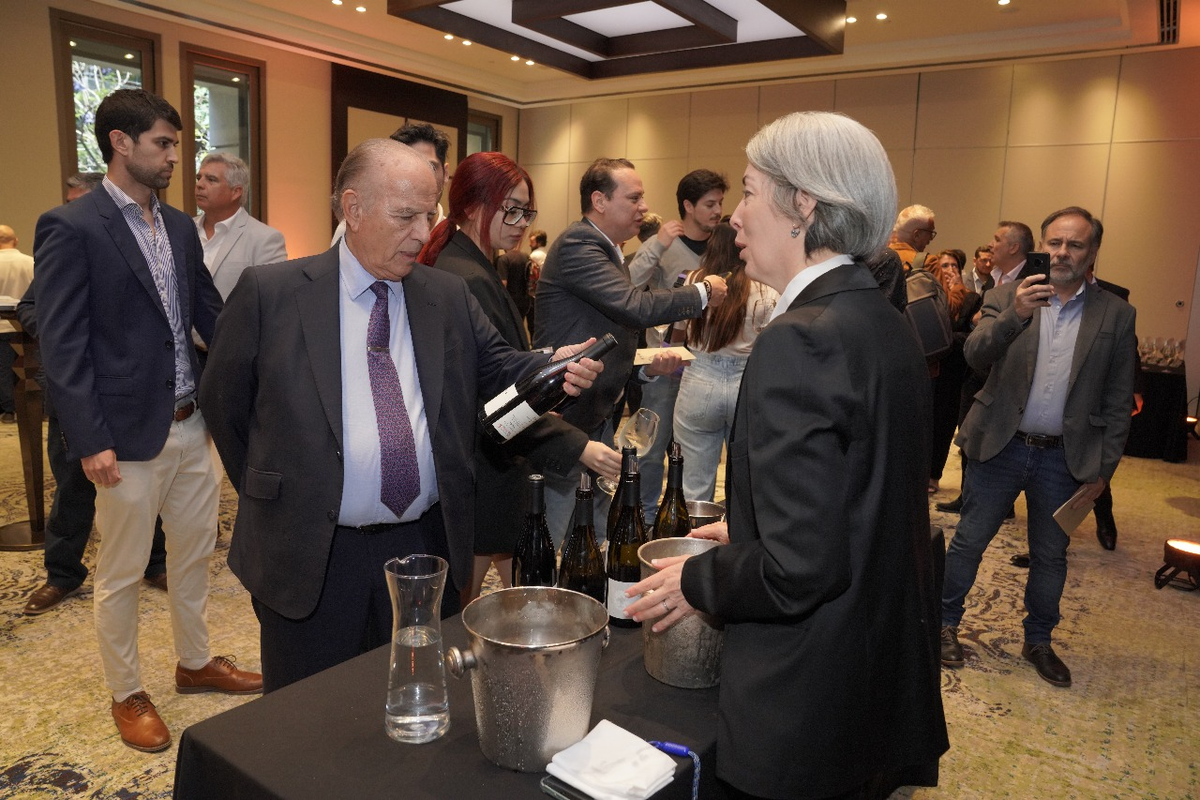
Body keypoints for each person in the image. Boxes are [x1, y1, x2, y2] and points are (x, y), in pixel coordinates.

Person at [200, 138, 605, 692]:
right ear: (353, 207)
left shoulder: (446, 296)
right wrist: (281, 485)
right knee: (307, 724)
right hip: (311, 550)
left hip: (422, 549)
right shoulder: (273, 294)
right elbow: (225, 404)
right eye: (405, 215)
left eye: (430, 214)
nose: (422, 232)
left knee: (411, 708)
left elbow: (502, 371)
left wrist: (550, 366)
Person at [626, 111, 948, 800]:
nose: (733, 218)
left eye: (747, 192)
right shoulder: (881, 321)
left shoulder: (801, 339)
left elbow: (799, 569)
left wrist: (697, 580)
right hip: (870, 684)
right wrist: (752, 529)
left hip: (806, 698)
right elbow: (861, 497)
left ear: (803, 204)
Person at [34, 89, 260, 754]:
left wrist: (259, 372)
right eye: (162, 144)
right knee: (124, 571)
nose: (173, 158)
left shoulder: (182, 228)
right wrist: (89, 438)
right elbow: (63, 343)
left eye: (174, 145)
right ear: (120, 143)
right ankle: (126, 691)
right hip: (124, 438)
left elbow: (212, 317)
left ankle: (194, 664)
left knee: (193, 559)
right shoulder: (71, 227)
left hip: (193, 426)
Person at [939, 207, 1136, 688]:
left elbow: (1117, 398)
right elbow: (973, 355)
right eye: (1054, 243)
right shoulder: (1008, 296)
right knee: (969, 542)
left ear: (1092, 252)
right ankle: (942, 627)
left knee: (1051, 555)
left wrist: (1103, 466)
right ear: (1041, 247)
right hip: (1000, 446)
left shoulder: (1116, 313)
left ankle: (1039, 641)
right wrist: (1015, 315)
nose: (1062, 253)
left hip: (1063, 459)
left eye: (1075, 244)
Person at [417, 151, 620, 601]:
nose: (521, 221)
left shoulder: (471, 264)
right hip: (484, 459)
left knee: (517, 589)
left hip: (493, 459)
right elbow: (491, 389)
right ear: (471, 205)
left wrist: (549, 360)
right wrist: (576, 444)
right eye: (511, 208)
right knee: (465, 603)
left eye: (527, 210)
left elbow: (502, 362)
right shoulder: (465, 276)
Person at [532, 157, 727, 542]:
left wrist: (643, 370)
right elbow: (633, 307)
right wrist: (702, 292)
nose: (644, 207)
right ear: (600, 200)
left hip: (596, 414)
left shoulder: (609, 249)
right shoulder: (579, 244)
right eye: (634, 197)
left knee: (591, 533)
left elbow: (611, 327)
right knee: (554, 534)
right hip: (568, 416)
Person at [19, 172, 168, 617]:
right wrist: (68, 336)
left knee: (145, 483)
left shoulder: (139, 244)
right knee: (72, 485)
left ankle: (155, 562)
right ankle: (62, 574)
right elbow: (31, 306)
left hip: (133, 393)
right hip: (76, 392)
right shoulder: (64, 236)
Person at [625, 169, 727, 512]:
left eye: (720, 203)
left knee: (697, 450)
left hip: (711, 364)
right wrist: (657, 244)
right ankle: (647, 515)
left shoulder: (724, 247)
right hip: (665, 363)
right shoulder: (666, 247)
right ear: (688, 205)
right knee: (652, 446)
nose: (717, 210)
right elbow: (629, 285)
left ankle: (689, 514)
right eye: (709, 204)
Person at [672, 222, 778, 502]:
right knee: (744, 482)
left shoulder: (692, 279)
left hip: (699, 378)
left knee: (692, 485)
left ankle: (692, 543)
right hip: (748, 381)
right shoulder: (766, 286)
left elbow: (675, 337)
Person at [330, 122, 450, 245]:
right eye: (406, 168)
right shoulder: (357, 228)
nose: (420, 178)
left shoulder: (455, 240)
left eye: (430, 167)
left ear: (446, 174)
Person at [194, 152, 288, 299]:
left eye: (211, 180)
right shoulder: (183, 229)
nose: (199, 185)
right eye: (199, 178)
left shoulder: (265, 239)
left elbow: (273, 299)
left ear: (235, 192)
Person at [928, 249, 982, 494]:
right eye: (944, 265)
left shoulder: (971, 298)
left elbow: (972, 337)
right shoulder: (931, 296)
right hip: (930, 370)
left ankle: (933, 476)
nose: (949, 270)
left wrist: (949, 338)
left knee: (944, 424)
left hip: (955, 372)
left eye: (953, 266)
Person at [0, 224, 35, 423]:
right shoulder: (29, 262)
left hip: (2, 326)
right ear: (16, 240)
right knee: (30, 369)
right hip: (26, 325)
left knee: (4, 371)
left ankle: (9, 411)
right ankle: (36, 409)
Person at [888, 204, 937, 271]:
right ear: (917, 235)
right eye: (930, 233)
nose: (931, 238)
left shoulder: (874, 258)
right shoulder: (929, 263)